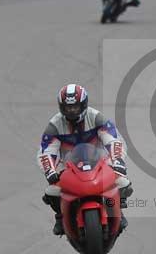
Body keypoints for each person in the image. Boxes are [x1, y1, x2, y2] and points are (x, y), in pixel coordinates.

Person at [38, 83, 132, 236]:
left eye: (75, 107)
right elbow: (46, 151)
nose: (71, 111)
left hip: (98, 159)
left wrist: (118, 161)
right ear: (61, 107)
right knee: (52, 191)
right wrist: (50, 170)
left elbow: (113, 140)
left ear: (83, 104)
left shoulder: (96, 117)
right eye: (68, 108)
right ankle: (61, 217)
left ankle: (117, 210)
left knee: (122, 181)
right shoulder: (54, 125)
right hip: (68, 165)